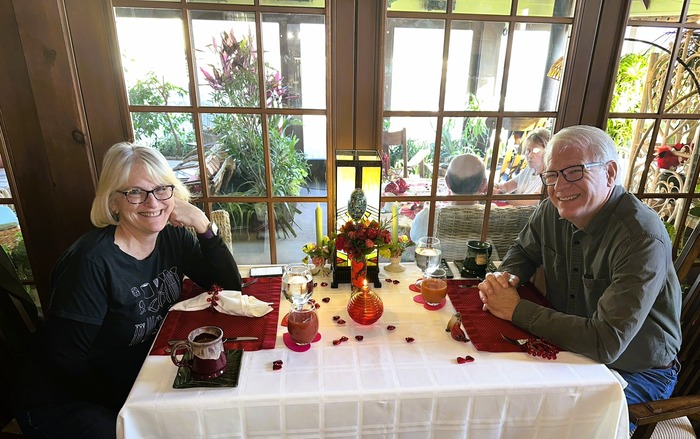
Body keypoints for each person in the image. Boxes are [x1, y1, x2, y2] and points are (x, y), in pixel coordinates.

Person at [10, 143, 242, 439]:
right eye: (135, 192)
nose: (152, 202)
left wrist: (201, 224)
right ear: (113, 202)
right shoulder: (90, 263)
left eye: (161, 189)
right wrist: (139, 404)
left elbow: (229, 287)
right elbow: (66, 362)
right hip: (62, 400)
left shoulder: (171, 237)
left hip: (129, 376)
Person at [477, 125, 682, 432]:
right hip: (571, 349)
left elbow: (605, 342)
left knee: (564, 430)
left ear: (610, 173)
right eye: (551, 175)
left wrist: (515, 309)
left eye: (573, 172)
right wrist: (507, 279)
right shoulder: (552, 210)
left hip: (634, 369)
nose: (559, 186)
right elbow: (523, 250)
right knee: (495, 404)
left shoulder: (641, 238)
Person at [409, 153, 488, 243]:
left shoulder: (427, 218)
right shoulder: (495, 216)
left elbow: (415, 242)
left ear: (447, 182)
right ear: (484, 184)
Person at [493, 127, 551, 205]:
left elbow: (528, 202)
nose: (530, 155)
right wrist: (493, 186)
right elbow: (506, 186)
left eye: (535, 151)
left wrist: (499, 194)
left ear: (547, 152)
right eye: (528, 150)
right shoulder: (529, 170)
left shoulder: (548, 177)